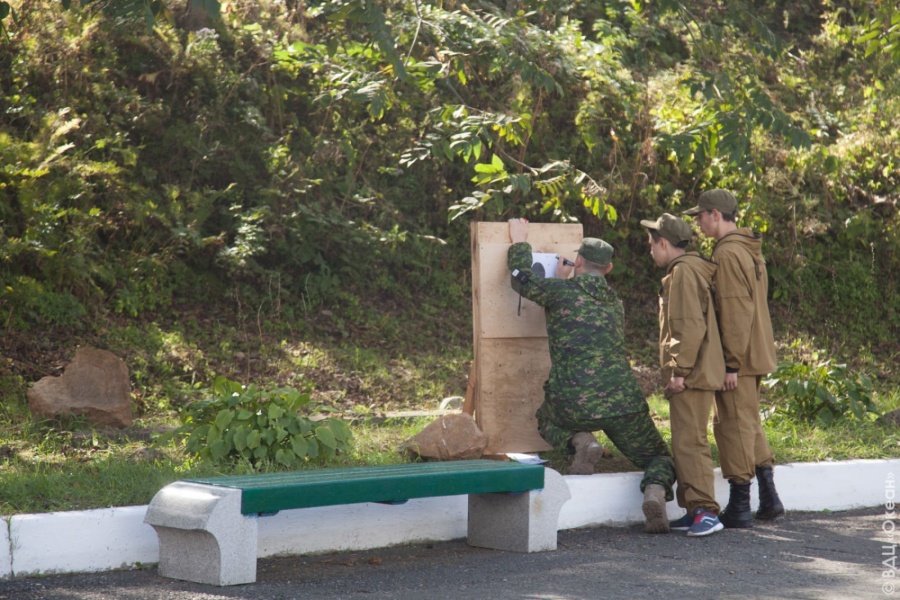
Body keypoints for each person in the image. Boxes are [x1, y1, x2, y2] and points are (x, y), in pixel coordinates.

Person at [506, 218, 676, 534]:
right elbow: (577, 304)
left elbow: (521, 278)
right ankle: (655, 490)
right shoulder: (615, 302)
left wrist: (519, 242)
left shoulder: (560, 292)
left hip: (573, 401)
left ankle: (581, 441)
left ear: (578, 261)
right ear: (608, 269)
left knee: (546, 420)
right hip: (623, 402)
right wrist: (562, 282)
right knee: (658, 457)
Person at [684, 189, 785, 528]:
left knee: (733, 425)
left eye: (701, 215)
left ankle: (741, 505)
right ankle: (769, 498)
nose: (698, 222)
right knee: (749, 422)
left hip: (740, 356)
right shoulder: (746, 247)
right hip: (754, 350)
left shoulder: (727, 253)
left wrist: (730, 363)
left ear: (715, 214)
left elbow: (735, 313)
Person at [641, 213, 725, 537]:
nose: (650, 251)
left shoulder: (683, 273)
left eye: (651, 244)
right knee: (685, 440)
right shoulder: (685, 270)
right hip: (696, 370)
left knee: (690, 442)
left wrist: (679, 370)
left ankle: (706, 511)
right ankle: (694, 510)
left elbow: (688, 326)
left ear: (663, 243)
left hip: (692, 373)